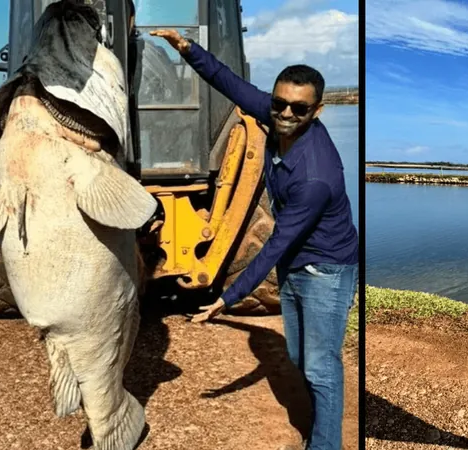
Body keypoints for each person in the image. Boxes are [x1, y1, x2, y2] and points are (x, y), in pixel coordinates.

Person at [149, 29, 359, 450]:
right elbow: (228, 81)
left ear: (315, 111)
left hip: (325, 271)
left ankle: (325, 444)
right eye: (278, 102)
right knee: (300, 359)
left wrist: (227, 297)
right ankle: (320, 422)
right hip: (297, 264)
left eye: (298, 109)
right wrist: (187, 48)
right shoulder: (276, 113)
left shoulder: (315, 176)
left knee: (321, 368)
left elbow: (275, 245)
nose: (283, 113)